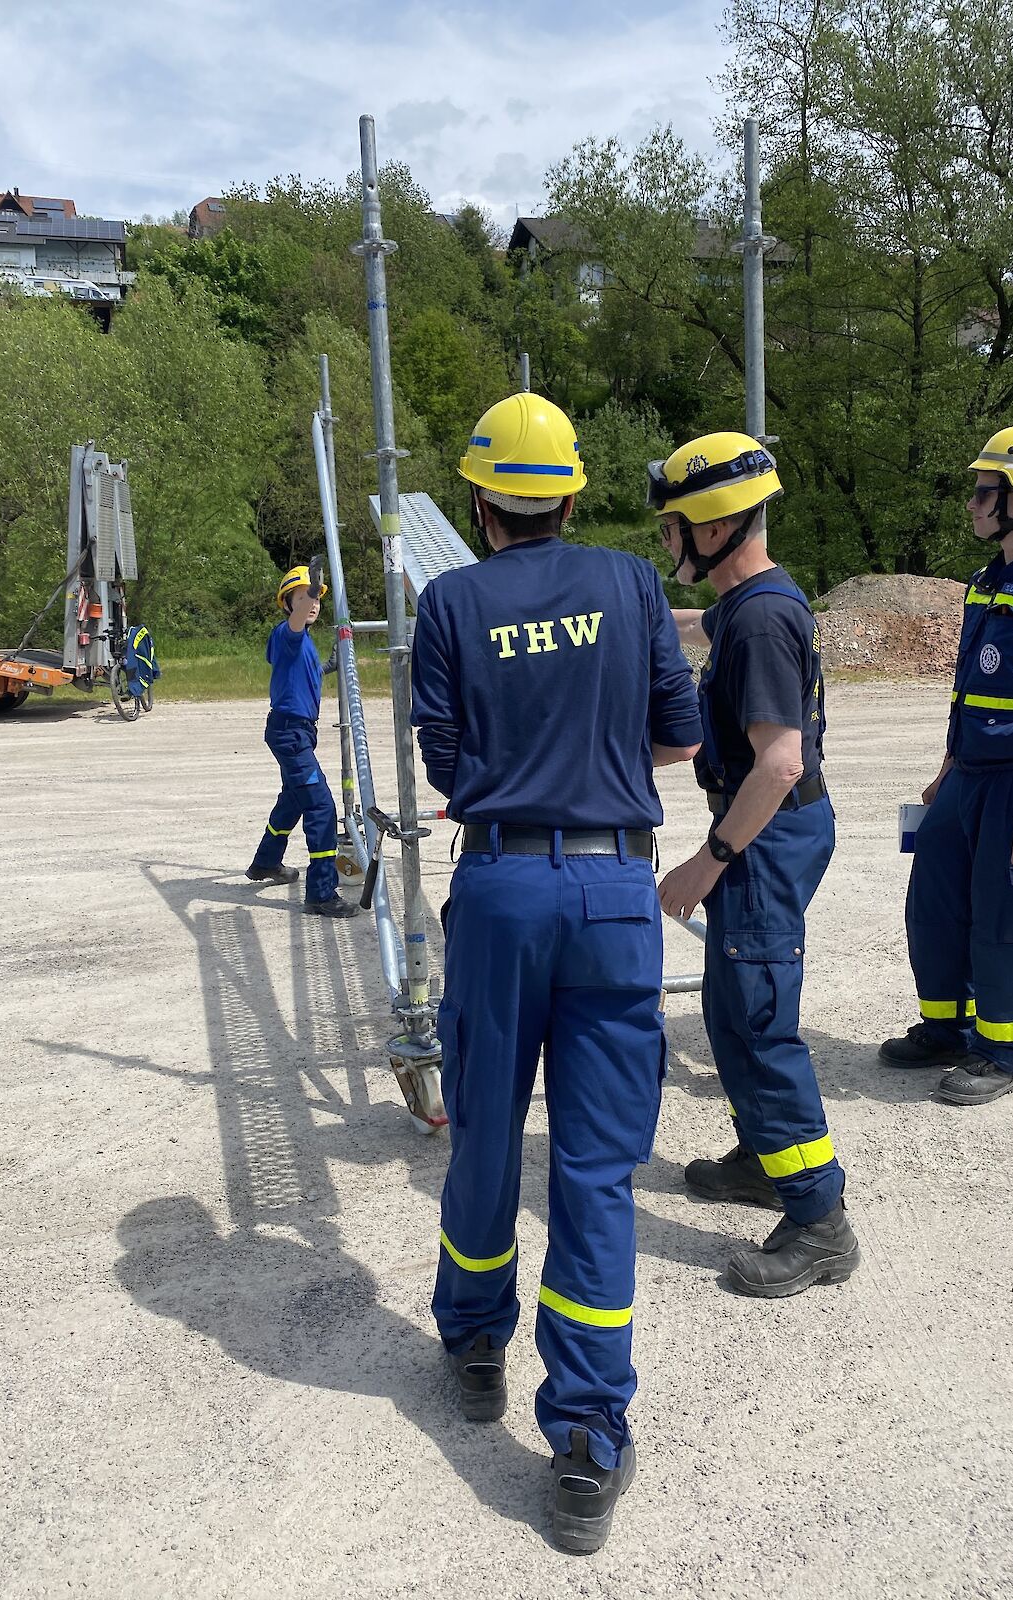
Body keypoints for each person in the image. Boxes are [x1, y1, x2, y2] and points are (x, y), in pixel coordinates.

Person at [410, 392, 702, 1554]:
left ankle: (477, 1340)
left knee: (487, 1125)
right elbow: (680, 738)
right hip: (616, 891)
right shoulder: (634, 584)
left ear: (482, 503)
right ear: (573, 493)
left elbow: (445, 757)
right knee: (592, 1164)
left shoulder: (450, 601)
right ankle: (586, 1437)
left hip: (502, 890)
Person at [649, 431, 860, 1298]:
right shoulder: (749, 601)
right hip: (764, 834)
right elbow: (704, 622)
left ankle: (820, 1222)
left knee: (760, 1023)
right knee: (734, 1013)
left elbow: (779, 762)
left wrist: (709, 861)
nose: (667, 541)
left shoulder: (765, 618)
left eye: (674, 526)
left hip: (764, 837)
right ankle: (764, 1158)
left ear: (714, 525)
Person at [880, 425, 1013, 1102]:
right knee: (935, 899)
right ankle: (946, 1029)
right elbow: (970, 687)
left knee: (1007, 913)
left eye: (984, 490)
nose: (972, 503)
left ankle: (1005, 1051)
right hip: (969, 775)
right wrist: (946, 767)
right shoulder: (986, 581)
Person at [246, 564, 358, 918]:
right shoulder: (286, 634)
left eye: (316, 598)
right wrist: (313, 588)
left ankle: (266, 863)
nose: (312, 603)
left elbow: (302, 673)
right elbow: (295, 625)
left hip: (295, 732)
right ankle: (321, 893)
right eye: (303, 597)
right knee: (321, 808)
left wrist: (328, 666)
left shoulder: (303, 644)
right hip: (290, 733)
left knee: (293, 799)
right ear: (287, 603)